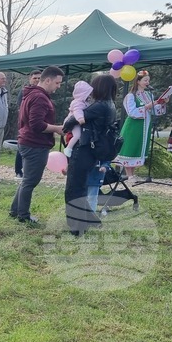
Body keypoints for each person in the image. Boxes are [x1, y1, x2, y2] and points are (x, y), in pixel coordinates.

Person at [10, 65, 65, 225]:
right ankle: (23, 215)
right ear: (47, 80)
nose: (58, 86)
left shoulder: (32, 94)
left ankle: (15, 210)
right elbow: (36, 125)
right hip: (35, 144)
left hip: (29, 141)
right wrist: (57, 129)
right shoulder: (40, 98)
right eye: (57, 83)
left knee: (27, 179)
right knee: (31, 181)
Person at [64, 74, 118, 235]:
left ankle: (78, 227)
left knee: (74, 188)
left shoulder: (98, 106)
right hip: (94, 151)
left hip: (84, 150)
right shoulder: (111, 105)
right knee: (80, 187)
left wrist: (69, 121)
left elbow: (70, 122)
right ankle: (91, 220)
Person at [115, 70, 160, 179]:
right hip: (133, 126)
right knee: (130, 147)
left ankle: (132, 174)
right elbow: (132, 112)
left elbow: (154, 111)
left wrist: (161, 103)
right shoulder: (130, 96)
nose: (147, 82)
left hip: (144, 126)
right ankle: (129, 175)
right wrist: (147, 106)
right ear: (138, 81)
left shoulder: (149, 94)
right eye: (145, 80)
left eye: (148, 80)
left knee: (138, 148)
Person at [14, 70, 42, 178]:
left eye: (39, 78)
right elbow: (21, 108)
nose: (37, 80)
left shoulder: (43, 92)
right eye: (35, 78)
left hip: (38, 125)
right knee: (22, 147)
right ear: (30, 78)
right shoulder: (24, 91)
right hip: (25, 125)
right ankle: (18, 170)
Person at [61, 80, 94, 158]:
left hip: (76, 121)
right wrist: (80, 118)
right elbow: (77, 111)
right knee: (77, 135)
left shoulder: (83, 102)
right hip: (74, 121)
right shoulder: (77, 102)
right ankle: (68, 148)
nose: (89, 95)